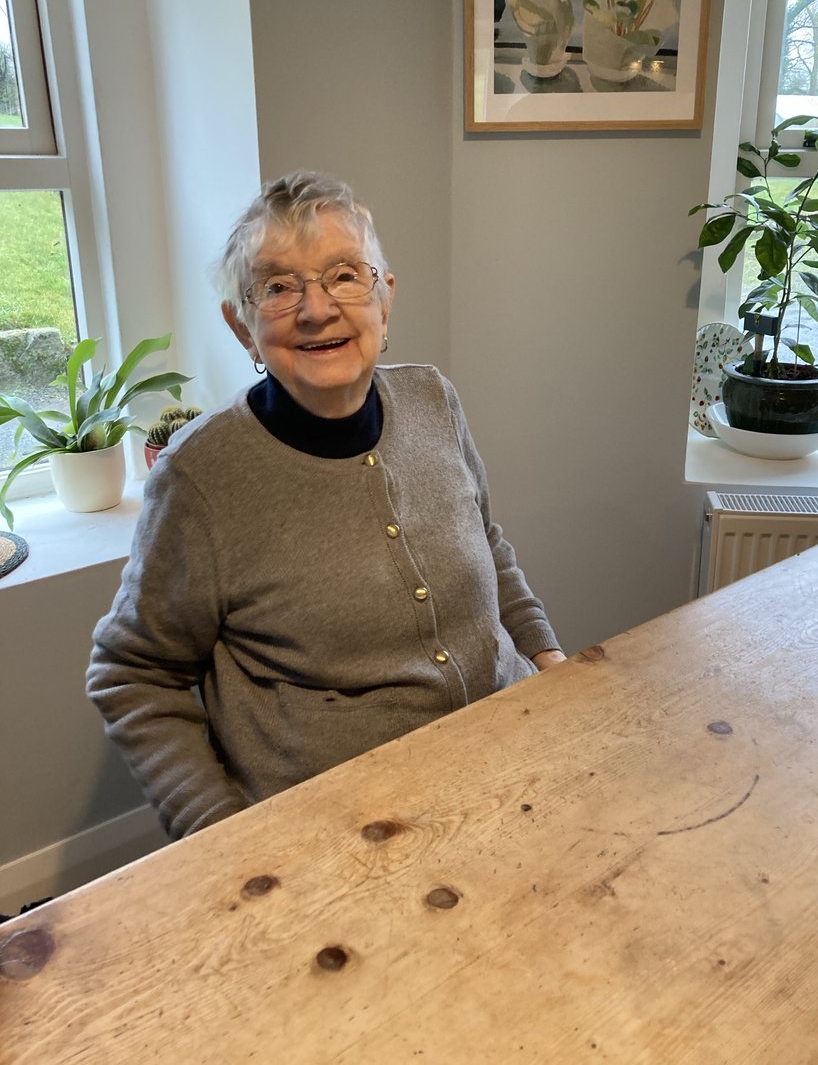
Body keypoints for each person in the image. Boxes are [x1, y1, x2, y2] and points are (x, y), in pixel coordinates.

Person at [87, 170, 565, 840]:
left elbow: (487, 542)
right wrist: (219, 834)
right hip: (341, 832)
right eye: (278, 288)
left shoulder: (433, 399)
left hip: (509, 764)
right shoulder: (201, 477)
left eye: (345, 275)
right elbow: (131, 672)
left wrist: (549, 663)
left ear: (385, 298)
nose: (317, 309)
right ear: (241, 325)